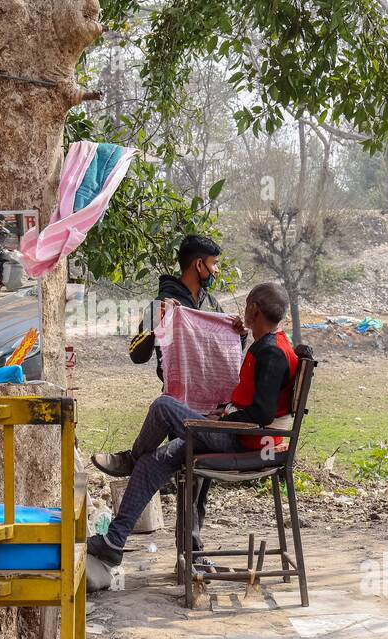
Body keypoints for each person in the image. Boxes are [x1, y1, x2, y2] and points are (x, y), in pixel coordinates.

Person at [90, 282, 298, 566]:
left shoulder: (272, 353)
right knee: (154, 462)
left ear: (253, 309)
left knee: (164, 406)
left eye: (246, 305)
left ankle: (131, 457)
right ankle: (114, 540)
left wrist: (225, 420)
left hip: (246, 442)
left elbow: (261, 414)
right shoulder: (267, 345)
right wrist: (223, 415)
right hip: (237, 433)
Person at [128, 234, 225, 379]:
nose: (216, 270)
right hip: (177, 397)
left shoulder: (211, 303)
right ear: (199, 264)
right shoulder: (161, 304)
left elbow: (226, 347)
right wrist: (155, 322)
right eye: (214, 263)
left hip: (211, 395)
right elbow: (136, 355)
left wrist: (240, 335)